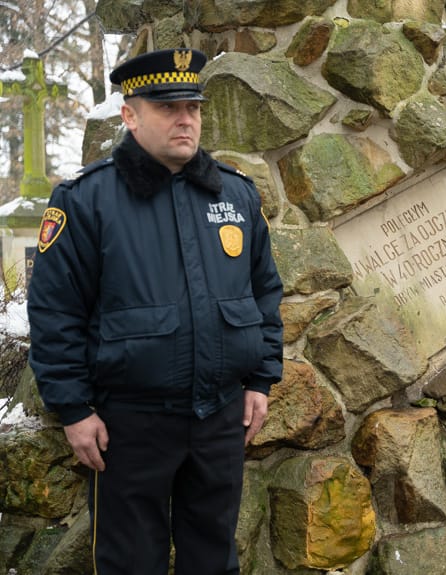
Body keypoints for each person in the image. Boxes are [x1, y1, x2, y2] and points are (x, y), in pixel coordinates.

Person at [27, 48, 284, 575]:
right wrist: (74, 409)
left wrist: (260, 380)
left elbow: (263, 294)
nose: (185, 118)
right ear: (130, 115)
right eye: (168, 107)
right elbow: (55, 314)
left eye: (193, 106)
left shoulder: (235, 196)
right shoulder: (86, 200)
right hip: (129, 426)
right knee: (130, 563)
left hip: (219, 419)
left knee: (214, 561)